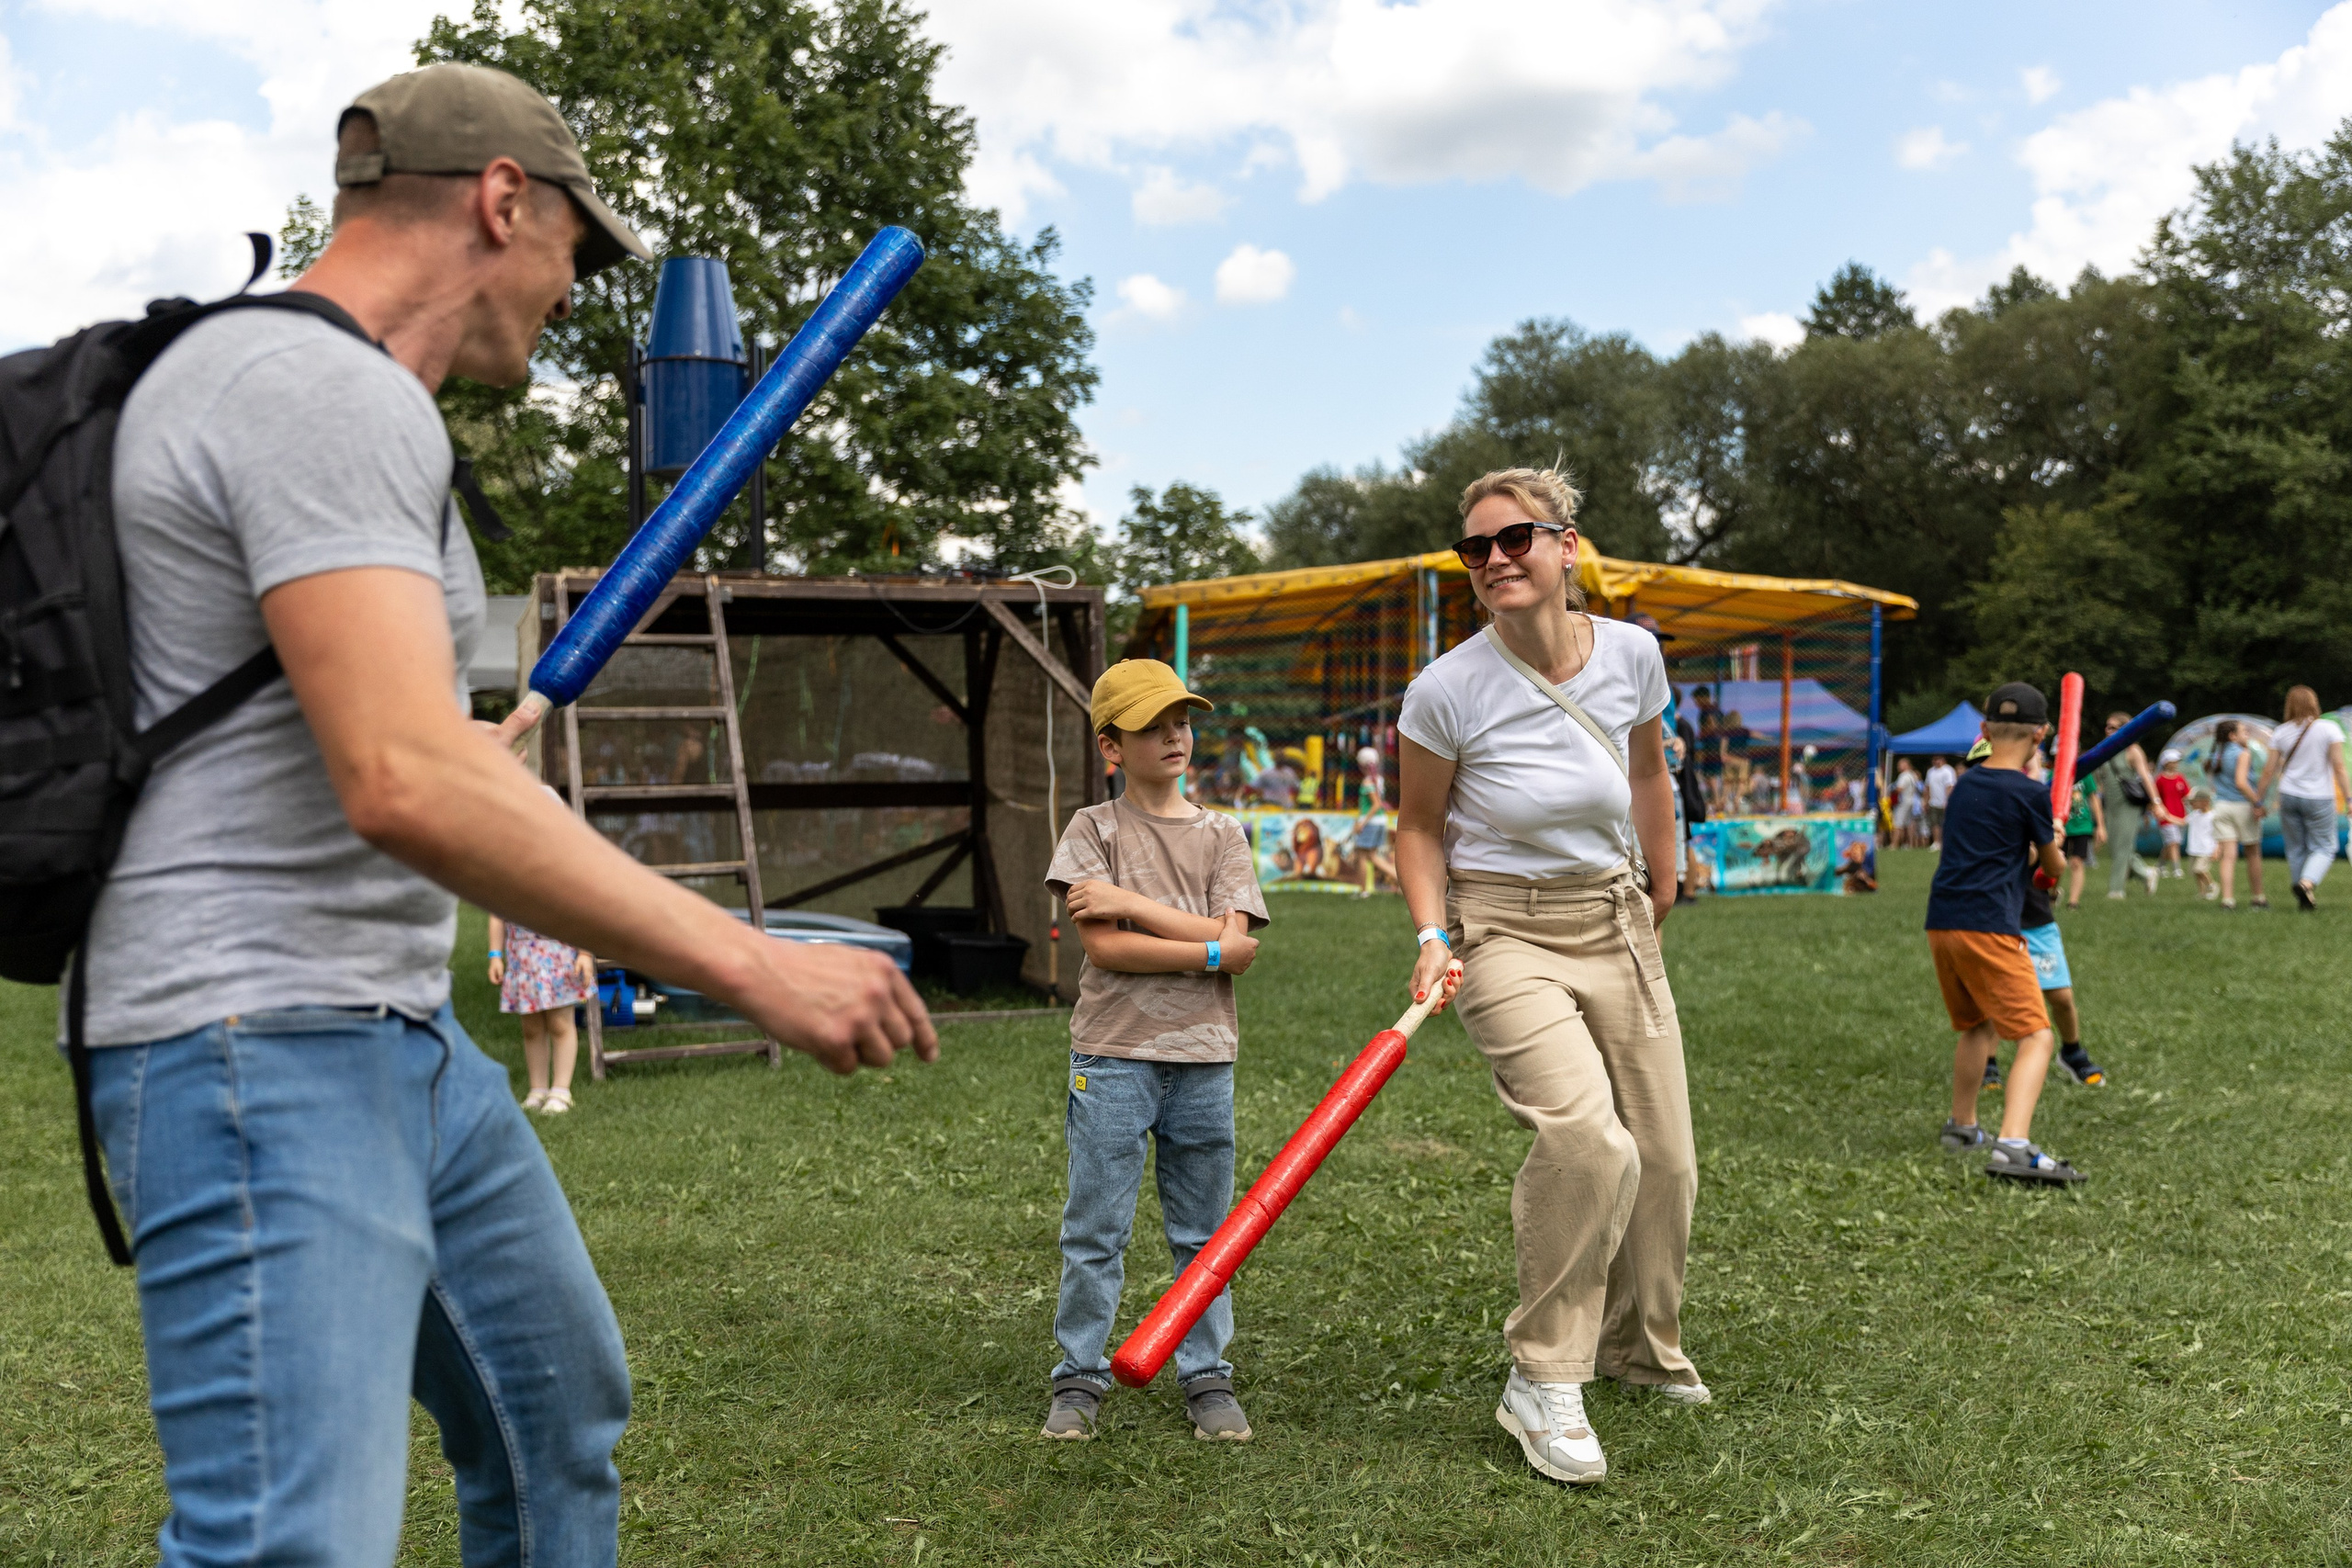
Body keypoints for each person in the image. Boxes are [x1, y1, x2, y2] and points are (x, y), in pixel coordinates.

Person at [75, 64, 934, 1564]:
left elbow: (394, 738)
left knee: (555, 1412)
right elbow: (398, 780)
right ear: (500, 200)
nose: (568, 292)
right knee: (290, 1540)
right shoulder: (318, 389)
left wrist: (495, 738)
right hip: (250, 1041)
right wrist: (751, 961)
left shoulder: (327, 399)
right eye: (573, 255)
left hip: (398, 1032)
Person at [1397, 466, 1699, 1488]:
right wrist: (1434, 933)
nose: (1491, 560)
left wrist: (1664, 879)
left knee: (1663, 1159)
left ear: (1568, 545)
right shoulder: (1445, 687)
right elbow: (1416, 826)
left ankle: (1637, 1350)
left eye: (1512, 538)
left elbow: (1651, 771)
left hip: (1613, 916)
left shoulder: (1633, 654)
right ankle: (1542, 1374)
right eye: (1472, 550)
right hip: (1500, 928)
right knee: (1585, 1137)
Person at [1040, 660, 1269, 1444]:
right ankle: (1077, 1377)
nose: (1175, 735)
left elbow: (1238, 949)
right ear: (1112, 745)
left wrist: (1137, 907)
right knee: (1094, 1228)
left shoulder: (1223, 834)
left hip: (1204, 1059)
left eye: (1182, 719)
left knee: (1206, 1230)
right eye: (1152, 726)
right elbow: (1105, 950)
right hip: (1111, 1057)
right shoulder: (1091, 830)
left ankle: (1207, 1376)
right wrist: (1208, 940)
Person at [1927, 684, 2081, 1183]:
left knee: (1979, 1025)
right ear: (2042, 734)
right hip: (1991, 925)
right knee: (2036, 1035)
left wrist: (2037, 845)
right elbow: (2051, 870)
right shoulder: (2032, 792)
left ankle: (1963, 1127)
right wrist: (2054, 838)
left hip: (1943, 923)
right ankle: (2014, 1146)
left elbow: (1998, 852)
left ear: (1984, 731)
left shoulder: (1965, 786)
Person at [486, 909, 596, 1113]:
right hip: (522, 961)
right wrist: (495, 955)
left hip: (558, 959)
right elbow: (497, 915)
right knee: (531, 1028)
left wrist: (584, 953)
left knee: (560, 1025)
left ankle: (561, 1091)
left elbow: (580, 908)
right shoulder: (507, 881)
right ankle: (538, 1089)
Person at [2257, 686, 2348, 910]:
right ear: (2314, 703)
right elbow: (2339, 766)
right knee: (2325, 847)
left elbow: (2269, 770)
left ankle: (2303, 897)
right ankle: (2306, 883)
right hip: (2319, 796)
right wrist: (2349, 797)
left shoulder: (2281, 731)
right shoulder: (2329, 729)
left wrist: (2258, 800)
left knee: (2296, 848)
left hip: (2289, 795)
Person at [2094, 711, 2163, 898]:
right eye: (2107, 726)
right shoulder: (2104, 750)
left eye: (2113, 727)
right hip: (2111, 805)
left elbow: (2146, 778)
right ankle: (2146, 873)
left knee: (2123, 847)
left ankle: (2116, 890)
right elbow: (2100, 782)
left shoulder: (2133, 751)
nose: (2108, 730)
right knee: (2116, 847)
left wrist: (2156, 802)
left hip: (2128, 805)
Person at [2207, 719, 2267, 910]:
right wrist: (2257, 802)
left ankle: (2227, 900)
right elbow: (2241, 783)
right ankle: (2258, 898)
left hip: (2222, 806)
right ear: (2232, 736)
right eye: (2243, 731)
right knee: (2253, 853)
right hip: (2241, 807)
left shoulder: (2215, 755)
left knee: (2228, 856)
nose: (2247, 734)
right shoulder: (2243, 753)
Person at [2060, 770, 2099, 909]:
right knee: (2059, 864)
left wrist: (2100, 826)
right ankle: (2053, 893)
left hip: (2082, 826)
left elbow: (2094, 799)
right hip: (2061, 826)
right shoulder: (2055, 773)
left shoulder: (2085, 773)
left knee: (2076, 862)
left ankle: (2073, 902)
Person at [2154, 750, 2193, 879]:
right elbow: (2155, 797)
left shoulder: (2180, 778)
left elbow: (2187, 795)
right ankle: (2177, 869)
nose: (2176, 764)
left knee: (2170, 843)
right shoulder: (2160, 780)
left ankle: (2160, 865)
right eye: (2173, 761)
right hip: (2166, 817)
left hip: (2180, 816)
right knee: (2173, 842)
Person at [2185, 788, 2219, 898]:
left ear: (2205, 802)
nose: (2192, 804)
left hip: (2206, 849)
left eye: (2195, 801)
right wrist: (2167, 817)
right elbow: (2182, 821)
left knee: (2199, 869)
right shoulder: (2195, 814)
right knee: (2195, 873)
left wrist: (2216, 849)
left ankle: (2212, 886)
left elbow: (2218, 834)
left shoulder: (2213, 816)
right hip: (2194, 848)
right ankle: (2202, 892)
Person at [1924, 755, 1958, 849]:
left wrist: (1947, 800)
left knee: (1944, 823)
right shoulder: (1931, 772)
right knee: (1934, 823)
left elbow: (1950, 786)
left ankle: (1945, 842)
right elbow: (1927, 787)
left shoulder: (1948, 771)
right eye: (1935, 759)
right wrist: (1926, 801)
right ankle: (1936, 842)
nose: (1936, 761)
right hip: (1933, 802)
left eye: (1938, 759)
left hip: (1944, 802)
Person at [1893, 760, 1924, 847]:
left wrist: (1891, 792)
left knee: (1898, 823)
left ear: (1906, 765)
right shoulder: (1913, 775)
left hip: (1903, 802)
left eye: (1900, 765)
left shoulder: (1904, 776)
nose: (1898, 766)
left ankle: (1894, 844)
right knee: (1907, 824)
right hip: (1911, 801)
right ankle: (1909, 844)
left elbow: (1899, 789)